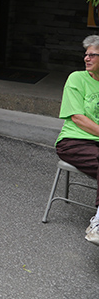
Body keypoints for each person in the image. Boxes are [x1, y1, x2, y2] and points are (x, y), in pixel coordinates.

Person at [57, 35, 99, 246]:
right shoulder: (77, 79)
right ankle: (98, 224)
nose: (86, 58)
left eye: (92, 55)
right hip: (74, 141)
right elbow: (77, 118)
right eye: (86, 54)